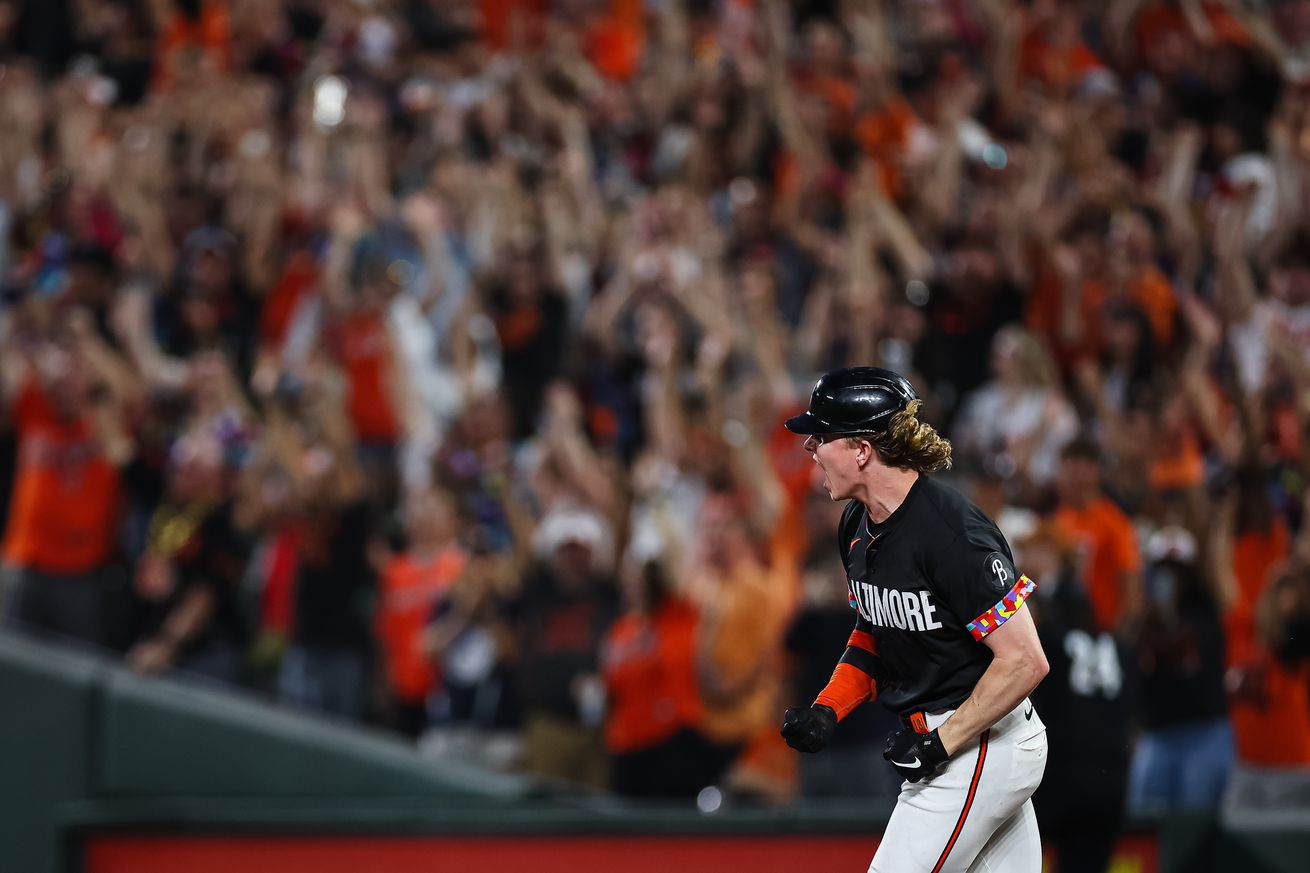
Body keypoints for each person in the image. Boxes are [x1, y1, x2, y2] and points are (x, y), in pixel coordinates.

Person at [779, 366, 1050, 873]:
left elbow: (1025, 661)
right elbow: (877, 631)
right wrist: (828, 708)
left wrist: (941, 743)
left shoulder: (953, 534)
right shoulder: (857, 523)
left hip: (980, 740)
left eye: (822, 436)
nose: (810, 447)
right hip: (960, 741)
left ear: (862, 450)